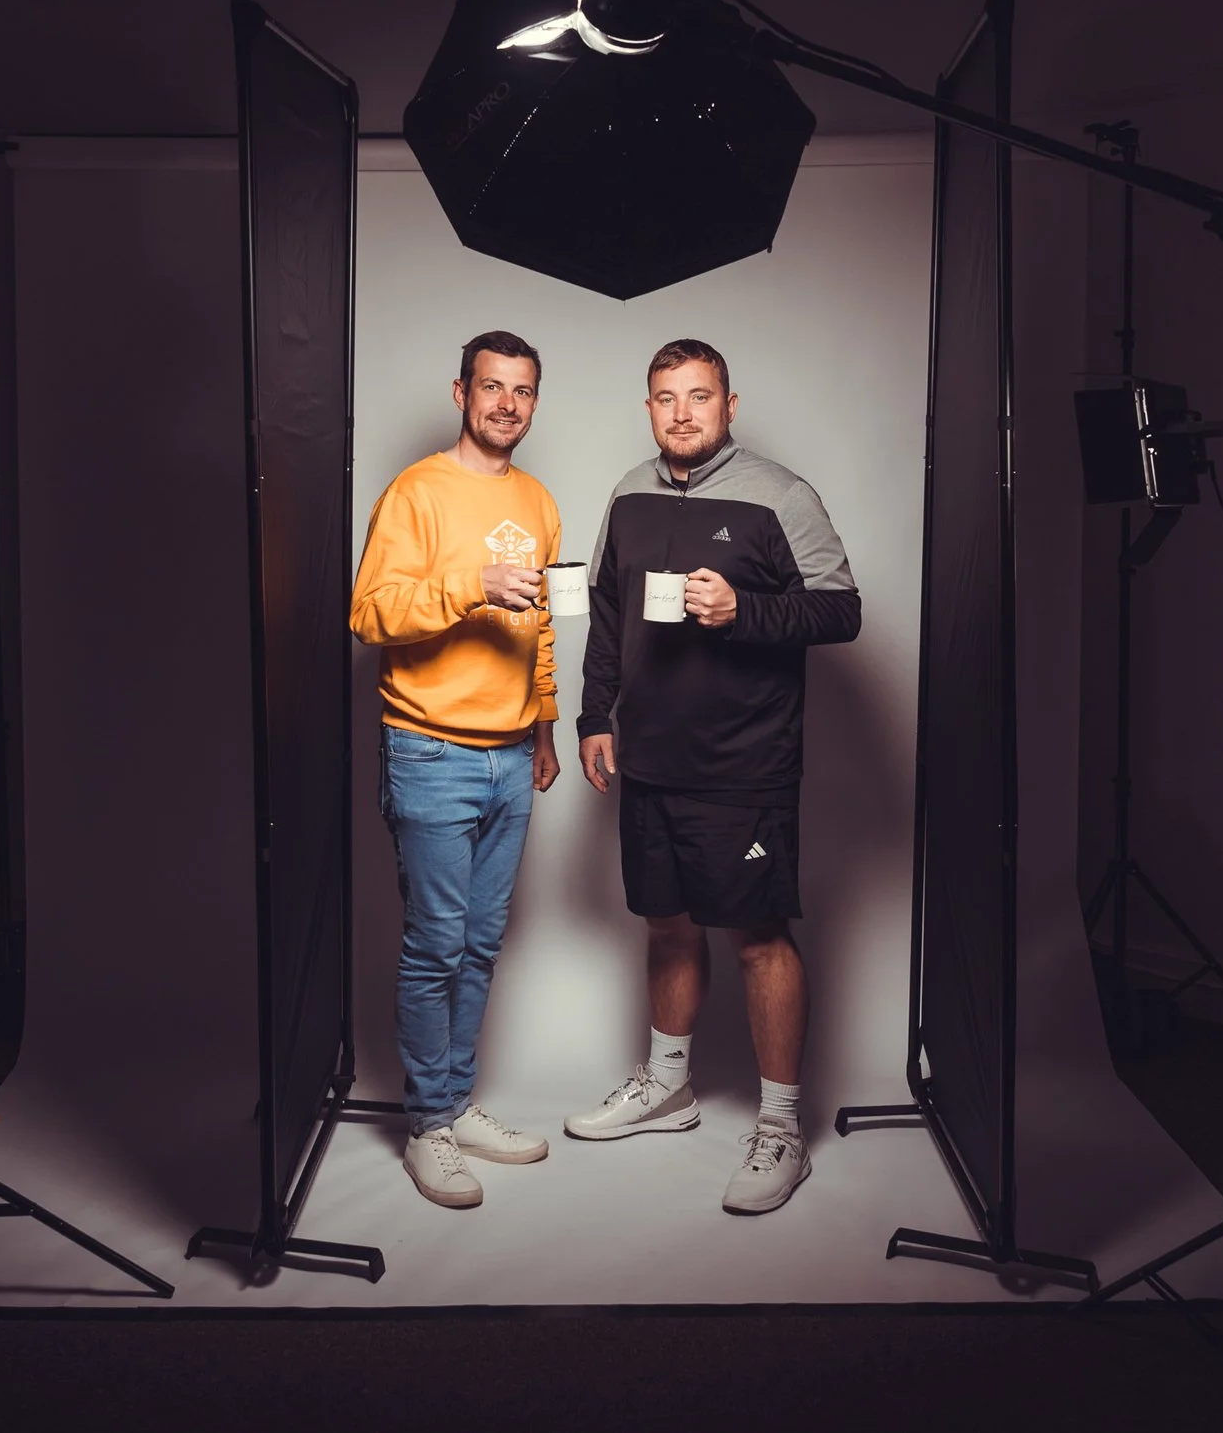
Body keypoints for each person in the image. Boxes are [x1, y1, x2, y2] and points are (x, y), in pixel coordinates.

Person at [568, 338, 860, 1214]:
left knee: (758, 937)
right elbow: (608, 614)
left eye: (699, 396)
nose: (682, 413)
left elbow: (841, 609)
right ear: (649, 408)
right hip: (649, 756)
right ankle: (668, 1088)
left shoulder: (781, 494)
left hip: (745, 762)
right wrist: (593, 714)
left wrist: (744, 610)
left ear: (729, 406)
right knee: (666, 924)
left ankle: (782, 1128)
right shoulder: (628, 493)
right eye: (666, 398)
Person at [349, 331, 564, 1208]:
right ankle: (428, 1124)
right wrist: (470, 585)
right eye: (491, 386)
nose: (506, 404)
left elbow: (540, 627)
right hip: (430, 749)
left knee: (479, 943)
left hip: (512, 756)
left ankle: (457, 1103)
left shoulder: (540, 500)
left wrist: (544, 725)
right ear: (461, 392)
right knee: (435, 944)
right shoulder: (416, 491)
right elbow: (369, 613)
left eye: (522, 390)